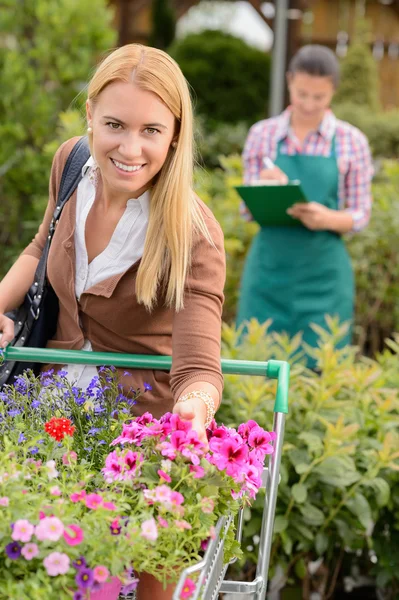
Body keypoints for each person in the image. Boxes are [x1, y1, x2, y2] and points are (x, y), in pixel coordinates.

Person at [0, 44, 226, 599]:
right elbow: (40, 246)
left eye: (152, 129)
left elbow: (199, 367)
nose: (129, 147)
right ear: (90, 119)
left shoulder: (194, 233)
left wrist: (194, 414)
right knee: (34, 572)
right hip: (46, 419)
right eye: (114, 125)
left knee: (128, 586)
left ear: (175, 134)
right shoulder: (72, 164)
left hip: (136, 443)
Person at [237, 44, 373, 367]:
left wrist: (326, 217)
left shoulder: (352, 141)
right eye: (302, 94)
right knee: (257, 369)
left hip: (324, 279)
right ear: (289, 82)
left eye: (319, 97)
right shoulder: (262, 136)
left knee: (321, 372)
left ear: (333, 93)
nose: (309, 104)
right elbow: (247, 211)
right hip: (268, 276)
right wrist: (264, 188)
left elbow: (360, 214)